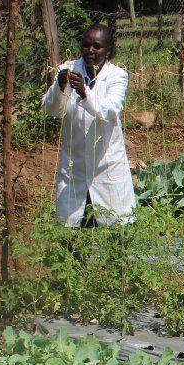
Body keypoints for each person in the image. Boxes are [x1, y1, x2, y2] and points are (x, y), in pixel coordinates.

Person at [42, 23, 136, 227]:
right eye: (86, 45)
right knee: (72, 231)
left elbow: (110, 110)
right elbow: (51, 109)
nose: (90, 50)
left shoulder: (117, 76)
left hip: (106, 164)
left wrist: (85, 92)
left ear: (108, 50)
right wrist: (59, 87)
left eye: (97, 46)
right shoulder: (67, 70)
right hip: (74, 165)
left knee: (116, 228)